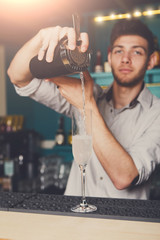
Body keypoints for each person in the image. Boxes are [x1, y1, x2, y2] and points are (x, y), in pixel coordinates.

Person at [7, 19, 160, 200]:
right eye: (119, 50)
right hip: (73, 220)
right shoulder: (88, 94)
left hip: (122, 224)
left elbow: (124, 177)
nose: (126, 58)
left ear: (151, 60)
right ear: (110, 57)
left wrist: (86, 105)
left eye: (136, 51)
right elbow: (17, 76)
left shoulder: (156, 114)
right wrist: (42, 38)